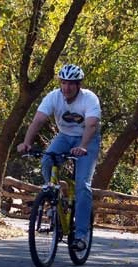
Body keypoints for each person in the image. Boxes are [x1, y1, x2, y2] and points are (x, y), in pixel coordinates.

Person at [17, 64, 101, 251]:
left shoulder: (89, 99)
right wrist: (26, 143)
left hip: (87, 139)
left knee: (82, 185)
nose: (67, 87)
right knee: (47, 159)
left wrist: (83, 147)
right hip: (64, 136)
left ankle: (81, 235)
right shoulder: (53, 97)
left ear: (78, 85)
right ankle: (53, 195)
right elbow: (38, 120)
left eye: (71, 84)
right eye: (63, 83)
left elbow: (91, 125)